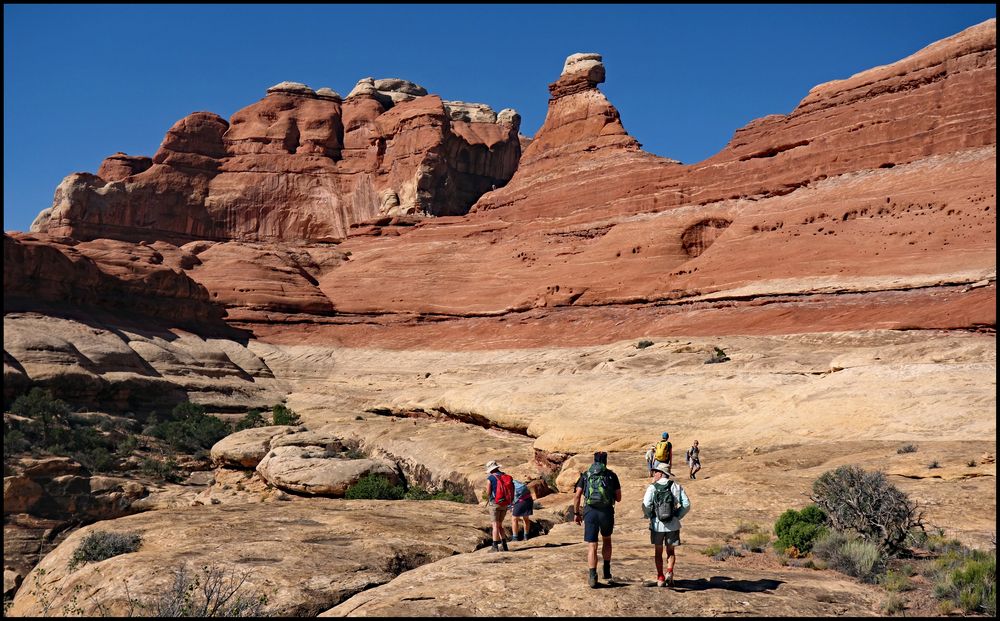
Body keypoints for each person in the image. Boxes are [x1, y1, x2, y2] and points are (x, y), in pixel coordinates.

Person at [573, 451, 622, 588]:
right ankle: (606, 571)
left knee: (592, 545)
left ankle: (592, 576)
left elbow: (577, 496)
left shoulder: (586, 475)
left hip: (590, 512)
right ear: (605, 461)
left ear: (594, 461)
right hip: (606, 512)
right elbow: (618, 498)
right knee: (607, 539)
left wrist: (577, 513)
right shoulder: (611, 475)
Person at [642, 463, 691, 587]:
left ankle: (660, 577)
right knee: (670, 551)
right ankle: (669, 572)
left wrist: (650, 516)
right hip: (672, 524)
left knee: (658, 552)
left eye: (655, 472)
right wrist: (677, 516)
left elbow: (646, 505)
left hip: (657, 525)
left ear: (660, 473)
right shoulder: (676, 486)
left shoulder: (652, 487)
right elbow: (686, 505)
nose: (654, 474)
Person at [483, 460, 514, 552]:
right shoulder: (505, 476)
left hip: (495, 503)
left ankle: (495, 546)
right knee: (500, 525)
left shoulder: (491, 478)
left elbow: (488, 492)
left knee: (495, 525)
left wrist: (488, 498)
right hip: (504, 503)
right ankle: (504, 545)